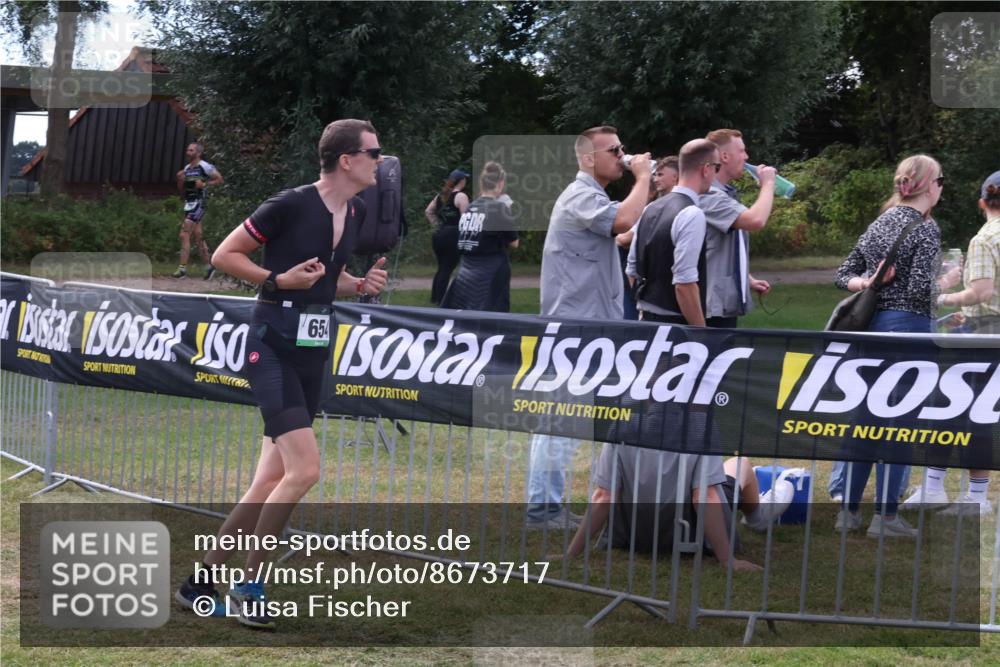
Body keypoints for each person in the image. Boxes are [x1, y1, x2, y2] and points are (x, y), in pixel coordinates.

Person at [175, 119, 389, 629]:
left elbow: (325, 280)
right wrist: (277, 279)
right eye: (374, 152)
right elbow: (226, 255)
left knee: (269, 478)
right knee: (305, 471)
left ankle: (199, 580)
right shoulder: (290, 203)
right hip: (270, 347)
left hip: (312, 353)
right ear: (346, 159)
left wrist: (358, 285)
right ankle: (250, 586)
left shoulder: (355, 210)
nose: (381, 160)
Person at [525, 125, 651, 530]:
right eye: (613, 150)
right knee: (558, 420)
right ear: (587, 158)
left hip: (589, 326)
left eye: (622, 148)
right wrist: (644, 176)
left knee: (567, 420)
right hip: (574, 330)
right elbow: (621, 220)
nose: (622, 155)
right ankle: (542, 510)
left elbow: (620, 230)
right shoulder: (581, 194)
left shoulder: (592, 196)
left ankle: (550, 505)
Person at [833, 154, 959, 538]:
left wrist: (867, 283)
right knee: (901, 421)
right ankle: (886, 516)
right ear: (929, 185)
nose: (942, 188)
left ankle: (848, 511)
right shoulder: (925, 229)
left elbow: (844, 274)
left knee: (865, 419)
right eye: (941, 181)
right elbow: (922, 288)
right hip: (909, 331)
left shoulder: (881, 222)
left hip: (871, 329)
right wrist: (950, 281)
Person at [901, 169, 1000, 516]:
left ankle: (961, 494)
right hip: (986, 329)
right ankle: (957, 491)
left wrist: (940, 299)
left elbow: (981, 292)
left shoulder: (986, 237)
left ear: (982, 202)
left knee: (950, 409)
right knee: (979, 412)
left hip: (984, 333)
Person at [552, 441, 791, 570]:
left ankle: (759, 511)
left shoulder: (620, 428)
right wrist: (727, 560)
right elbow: (705, 498)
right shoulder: (701, 431)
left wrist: (570, 553)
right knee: (742, 464)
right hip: (695, 532)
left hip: (634, 535)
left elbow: (604, 496)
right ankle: (758, 517)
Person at [630, 138, 720, 326]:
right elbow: (684, 284)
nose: (715, 175)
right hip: (675, 327)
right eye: (716, 168)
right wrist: (701, 334)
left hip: (644, 320)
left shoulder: (650, 208)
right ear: (706, 169)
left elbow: (632, 269)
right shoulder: (692, 214)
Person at [699, 129, 777, 329]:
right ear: (724, 157)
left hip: (722, 301)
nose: (747, 157)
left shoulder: (724, 194)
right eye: (742, 151)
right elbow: (756, 220)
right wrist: (767, 184)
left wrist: (747, 278)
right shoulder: (709, 195)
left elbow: (720, 245)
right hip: (711, 305)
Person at [440, 161, 519, 311]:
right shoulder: (500, 207)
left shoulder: (470, 207)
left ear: (482, 183)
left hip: (466, 271)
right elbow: (514, 242)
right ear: (500, 183)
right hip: (492, 270)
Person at [616, 155, 679, 320]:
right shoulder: (655, 206)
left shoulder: (660, 208)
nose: (656, 179)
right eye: (655, 175)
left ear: (676, 177)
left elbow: (625, 239)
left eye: (660, 175)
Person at [173, 142, 224, 279]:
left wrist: (205, 184)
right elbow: (182, 190)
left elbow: (219, 179)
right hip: (189, 203)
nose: (188, 152)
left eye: (191, 150)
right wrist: (180, 180)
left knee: (184, 234)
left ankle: (182, 268)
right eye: (187, 150)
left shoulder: (205, 166)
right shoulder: (187, 168)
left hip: (200, 203)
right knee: (198, 237)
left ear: (198, 153)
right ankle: (210, 266)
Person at [426, 169, 470, 304]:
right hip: (453, 235)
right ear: (461, 181)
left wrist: (437, 226)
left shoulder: (442, 195)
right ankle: (440, 299)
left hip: (439, 234)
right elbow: (466, 218)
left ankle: (435, 298)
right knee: (447, 268)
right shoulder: (461, 196)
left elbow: (428, 211)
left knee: (442, 267)